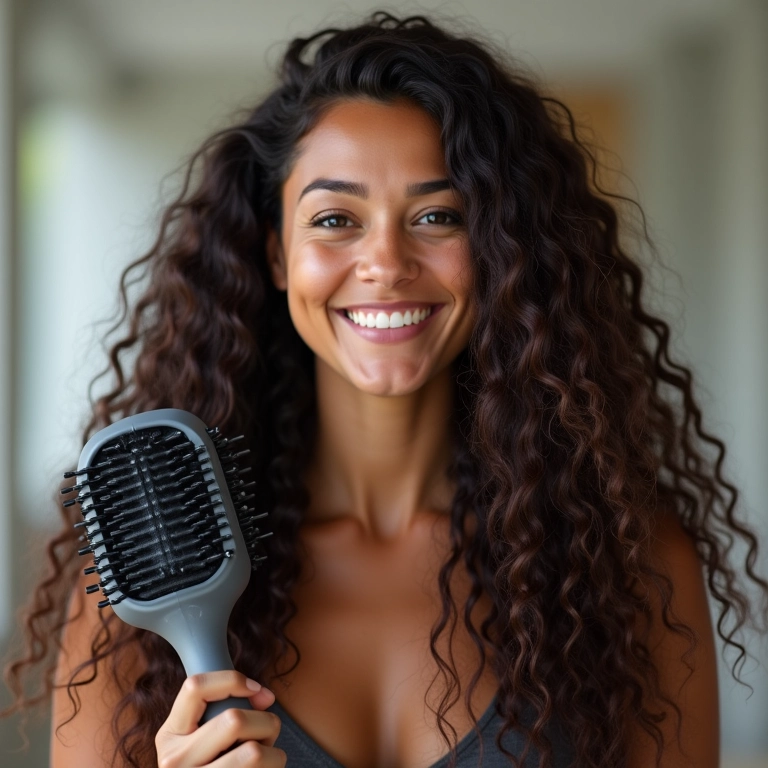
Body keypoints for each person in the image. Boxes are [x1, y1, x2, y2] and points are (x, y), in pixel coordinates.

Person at [3, 11, 767, 768]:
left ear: (501, 251)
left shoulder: (631, 566)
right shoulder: (141, 588)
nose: (386, 263)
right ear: (275, 254)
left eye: (438, 216)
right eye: (336, 218)